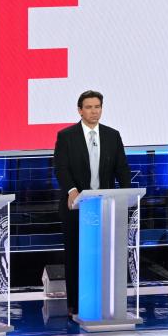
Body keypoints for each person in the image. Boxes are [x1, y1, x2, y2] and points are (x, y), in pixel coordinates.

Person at [52, 90, 134, 316]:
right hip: (75, 206)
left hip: (105, 207)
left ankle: (105, 300)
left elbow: (122, 168)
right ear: (80, 110)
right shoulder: (66, 136)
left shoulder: (112, 135)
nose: (94, 111)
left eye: (97, 106)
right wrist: (71, 190)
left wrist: (126, 194)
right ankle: (75, 304)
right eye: (88, 107)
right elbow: (61, 168)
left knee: (103, 254)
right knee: (75, 254)